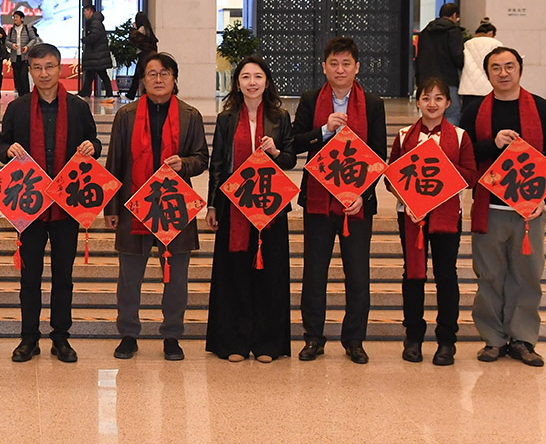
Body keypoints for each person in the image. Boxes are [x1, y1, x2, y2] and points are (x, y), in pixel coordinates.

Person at [0, 43, 101, 363]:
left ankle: (60, 337)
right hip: (30, 207)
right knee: (29, 277)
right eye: (38, 68)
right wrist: (7, 151)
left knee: (63, 276)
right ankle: (29, 338)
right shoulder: (18, 108)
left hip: (67, 206)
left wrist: (92, 146)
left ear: (60, 69)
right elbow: (2, 143)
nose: (44, 73)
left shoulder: (78, 107)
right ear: (29, 70)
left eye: (50, 67)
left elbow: (95, 140)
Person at [463, 47, 546, 367]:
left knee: (527, 276)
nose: (503, 73)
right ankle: (493, 339)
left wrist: (544, 198)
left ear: (520, 69)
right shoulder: (475, 110)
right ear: (487, 73)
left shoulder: (543, 109)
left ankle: (523, 339)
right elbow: (464, 155)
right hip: (489, 208)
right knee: (489, 276)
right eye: (496, 68)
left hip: (528, 212)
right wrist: (492, 144)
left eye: (509, 66)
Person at [103, 53, 208, 361]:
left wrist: (184, 164)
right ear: (143, 80)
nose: (158, 79)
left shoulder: (190, 115)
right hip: (133, 205)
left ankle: (172, 335)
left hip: (175, 207)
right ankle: (128, 334)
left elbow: (202, 158)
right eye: (152, 74)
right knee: (129, 278)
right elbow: (115, 162)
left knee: (176, 278)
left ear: (174, 78)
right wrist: (111, 208)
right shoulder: (126, 115)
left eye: (165, 73)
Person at [290, 36, 388, 365]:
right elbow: (295, 142)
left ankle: (354, 340)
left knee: (357, 275)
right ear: (324, 67)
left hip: (357, 203)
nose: (340, 69)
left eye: (346, 63)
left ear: (357, 67)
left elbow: (378, 155)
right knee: (314, 273)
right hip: (318, 201)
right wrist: (323, 130)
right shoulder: (310, 100)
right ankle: (313, 338)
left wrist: (363, 194)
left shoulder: (372, 104)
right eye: (334, 63)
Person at [204, 56, 297, 363]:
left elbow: (290, 160)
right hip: (234, 205)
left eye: (258, 76)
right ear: (238, 83)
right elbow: (217, 164)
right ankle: (234, 341)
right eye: (246, 77)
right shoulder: (227, 118)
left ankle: (268, 343)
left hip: (271, 207)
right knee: (234, 275)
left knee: (270, 276)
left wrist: (275, 151)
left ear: (266, 82)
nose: (252, 82)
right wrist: (213, 204)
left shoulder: (280, 117)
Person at [386, 77, 476, 366]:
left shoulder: (460, 137)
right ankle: (413, 337)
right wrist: (409, 200)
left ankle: (446, 341)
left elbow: (471, 176)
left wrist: (441, 167)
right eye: (426, 98)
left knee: (446, 275)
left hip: (447, 214)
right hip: (410, 214)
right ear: (418, 102)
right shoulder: (404, 136)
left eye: (438, 98)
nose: (432, 104)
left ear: (448, 103)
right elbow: (390, 177)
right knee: (413, 274)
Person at [415, 2, 465, 124]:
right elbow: (457, 56)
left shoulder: (425, 32)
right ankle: (447, 137)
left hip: (426, 79)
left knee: (429, 113)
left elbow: (419, 56)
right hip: (448, 78)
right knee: (452, 113)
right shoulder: (453, 31)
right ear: (454, 15)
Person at [79, 4, 115, 99]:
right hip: (96, 54)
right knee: (91, 74)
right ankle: (85, 92)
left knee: (101, 74)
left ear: (90, 11)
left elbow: (95, 36)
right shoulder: (95, 21)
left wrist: (85, 40)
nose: (84, 14)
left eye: (85, 11)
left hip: (97, 54)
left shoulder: (95, 22)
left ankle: (109, 94)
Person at [458, 19, 498, 102]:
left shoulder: (467, 43)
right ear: (491, 33)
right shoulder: (495, 43)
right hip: (487, 87)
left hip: (468, 88)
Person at [5, 9, 39, 97]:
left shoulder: (27, 28)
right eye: (14, 17)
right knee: (17, 77)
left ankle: (26, 95)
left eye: (17, 17)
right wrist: (12, 45)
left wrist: (27, 47)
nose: (15, 19)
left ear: (22, 18)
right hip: (15, 57)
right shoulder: (11, 30)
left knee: (23, 76)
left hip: (25, 56)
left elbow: (33, 39)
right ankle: (20, 96)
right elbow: (6, 41)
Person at [125, 11, 158, 100]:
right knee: (140, 75)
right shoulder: (148, 29)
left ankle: (131, 95)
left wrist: (133, 29)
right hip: (149, 54)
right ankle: (132, 95)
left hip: (144, 54)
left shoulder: (141, 29)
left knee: (138, 75)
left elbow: (135, 39)